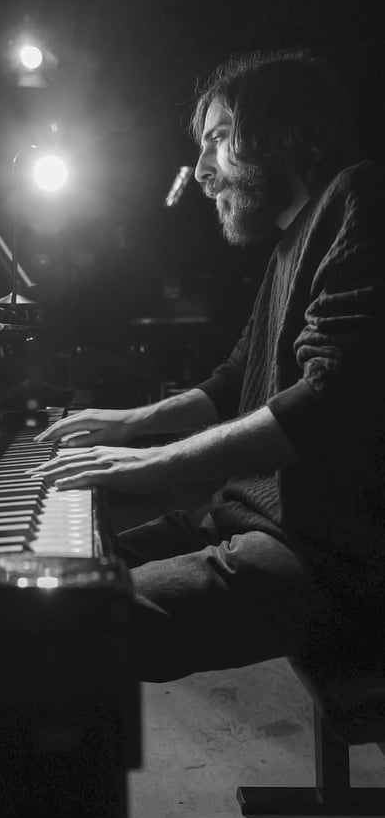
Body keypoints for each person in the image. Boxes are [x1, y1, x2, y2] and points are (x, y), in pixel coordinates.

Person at [30, 49, 385, 681]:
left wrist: (153, 462)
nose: (200, 170)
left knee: (66, 624)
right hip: (245, 517)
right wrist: (130, 424)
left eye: (219, 138)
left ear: (288, 133)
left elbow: (329, 401)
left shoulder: (358, 196)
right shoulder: (287, 246)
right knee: (39, 577)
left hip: (327, 551)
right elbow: (234, 380)